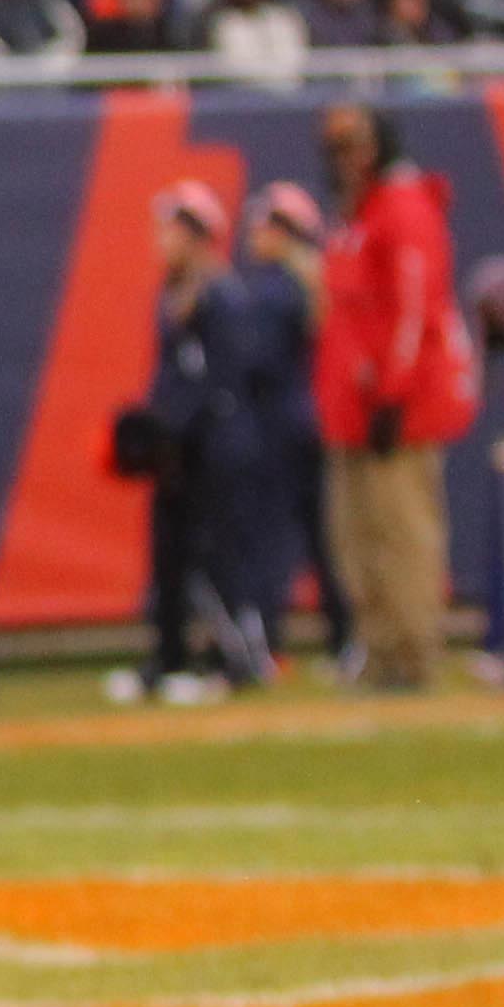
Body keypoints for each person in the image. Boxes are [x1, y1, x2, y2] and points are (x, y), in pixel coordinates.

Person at [314, 102, 475, 691]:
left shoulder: (402, 211)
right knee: (356, 539)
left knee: (401, 534)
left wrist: (392, 394)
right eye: (335, 146)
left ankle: (411, 653)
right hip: (353, 407)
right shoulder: (354, 215)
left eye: (353, 144)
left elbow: (414, 312)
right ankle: (379, 650)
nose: (343, 159)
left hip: (393, 407)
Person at [112, 183, 285, 701]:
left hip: (219, 446)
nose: (162, 240)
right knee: (170, 557)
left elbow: (222, 382)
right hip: (184, 450)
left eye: (172, 228)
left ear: (198, 235)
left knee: (221, 557)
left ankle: (238, 660)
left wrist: (180, 426)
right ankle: (169, 658)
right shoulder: (176, 293)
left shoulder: (222, 296)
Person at [241, 184, 347, 662]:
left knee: (271, 539)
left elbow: (257, 362)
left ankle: (265, 641)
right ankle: (345, 637)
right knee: (325, 538)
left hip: (280, 423)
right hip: (317, 420)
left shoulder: (274, 289)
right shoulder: (318, 281)